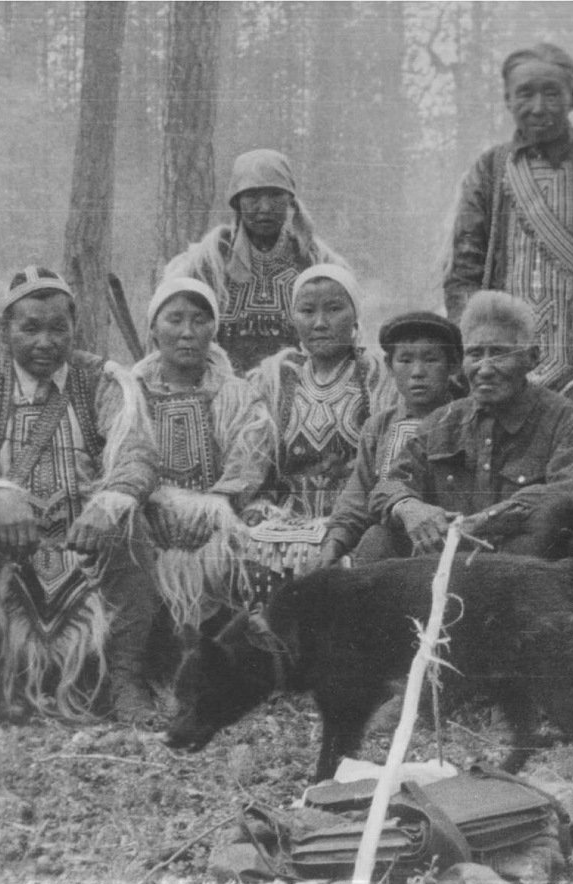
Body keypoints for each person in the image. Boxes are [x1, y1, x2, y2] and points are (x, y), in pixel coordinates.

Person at [444, 43, 573, 532]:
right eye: (525, 94)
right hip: (504, 351)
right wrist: (472, 345)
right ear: (507, 99)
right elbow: (463, 272)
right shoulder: (489, 171)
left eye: (551, 93)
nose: (538, 106)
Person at [0, 267, 161, 722]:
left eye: (58, 328)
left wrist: (109, 503)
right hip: (7, 536)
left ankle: (126, 679)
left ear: (74, 326)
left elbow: (135, 454)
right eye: (30, 328)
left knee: (131, 525)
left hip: (85, 535)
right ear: (5, 330)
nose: (45, 342)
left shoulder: (100, 379)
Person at [377, 291, 573, 556]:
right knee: (377, 539)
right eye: (475, 354)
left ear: (532, 358)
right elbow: (389, 484)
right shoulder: (441, 421)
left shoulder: (567, 422)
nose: (484, 369)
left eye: (498, 354)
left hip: (523, 566)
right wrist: (408, 507)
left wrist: (489, 519)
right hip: (449, 563)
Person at [243, 264, 396, 594]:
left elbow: (388, 469)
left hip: (355, 523)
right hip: (284, 522)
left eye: (334, 309)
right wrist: (258, 510)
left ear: (355, 316)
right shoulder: (275, 381)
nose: (320, 323)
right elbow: (257, 471)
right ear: (293, 318)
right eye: (307, 311)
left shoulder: (378, 379)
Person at [132, 277, 274, 629]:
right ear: (153, 329)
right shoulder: (128, 394)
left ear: (214, 329)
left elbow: (249, 460)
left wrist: (216, 506)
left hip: (221, 524)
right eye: (175, 319)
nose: (187, 332)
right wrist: (147, 501)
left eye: (199, 320)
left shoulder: (239, 395)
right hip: (148, 520)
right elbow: (120, 457)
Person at [163, 148, 347, 373]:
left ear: (290, 200)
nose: (265, 208)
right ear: (237, 202)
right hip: (220, 388)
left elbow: (343, 337)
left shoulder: (317, 261)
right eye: (253, 197)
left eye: (275, 195)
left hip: (301, 387)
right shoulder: (208, 262)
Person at [321, 312, 464, 565]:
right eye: (405, 360)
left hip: (452, 543)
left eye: (431, 359)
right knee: (374, 541)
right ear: (389, 366)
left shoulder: (467, 420)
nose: (417, 372)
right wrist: (335, 542)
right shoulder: (379, 426)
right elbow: (357, 498)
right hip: (391, 549)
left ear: (453, 365)